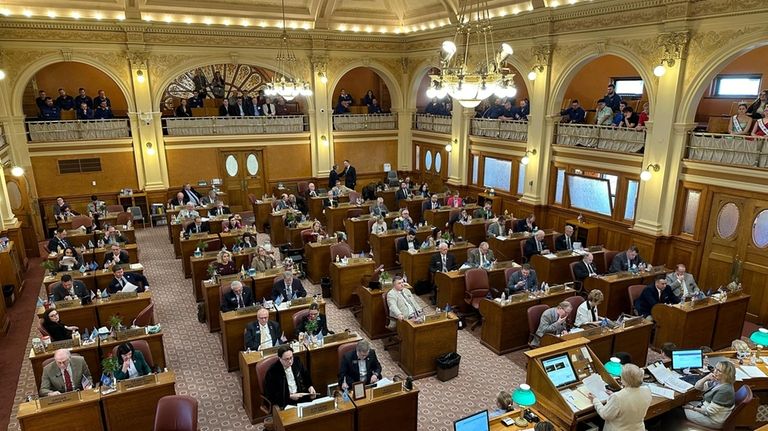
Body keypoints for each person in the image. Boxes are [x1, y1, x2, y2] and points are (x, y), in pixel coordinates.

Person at [590, 363, 651, 431]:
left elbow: (605, 415)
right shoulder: (647, 390)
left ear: (625, 380)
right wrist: (615, 394)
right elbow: (631, 396)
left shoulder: (618, 397)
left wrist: (595, 400)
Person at [683, 361, 736, 429]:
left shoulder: (725, 390)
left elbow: (709, 412)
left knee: (677, 413)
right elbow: (697, 387)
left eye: (718, 370)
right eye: (715, 368)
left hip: (712, 419)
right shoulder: (718, 382)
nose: (715, 371)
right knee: (681, 407)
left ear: (726, 375)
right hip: (705, 407)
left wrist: (692, 408)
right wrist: (706, 377)